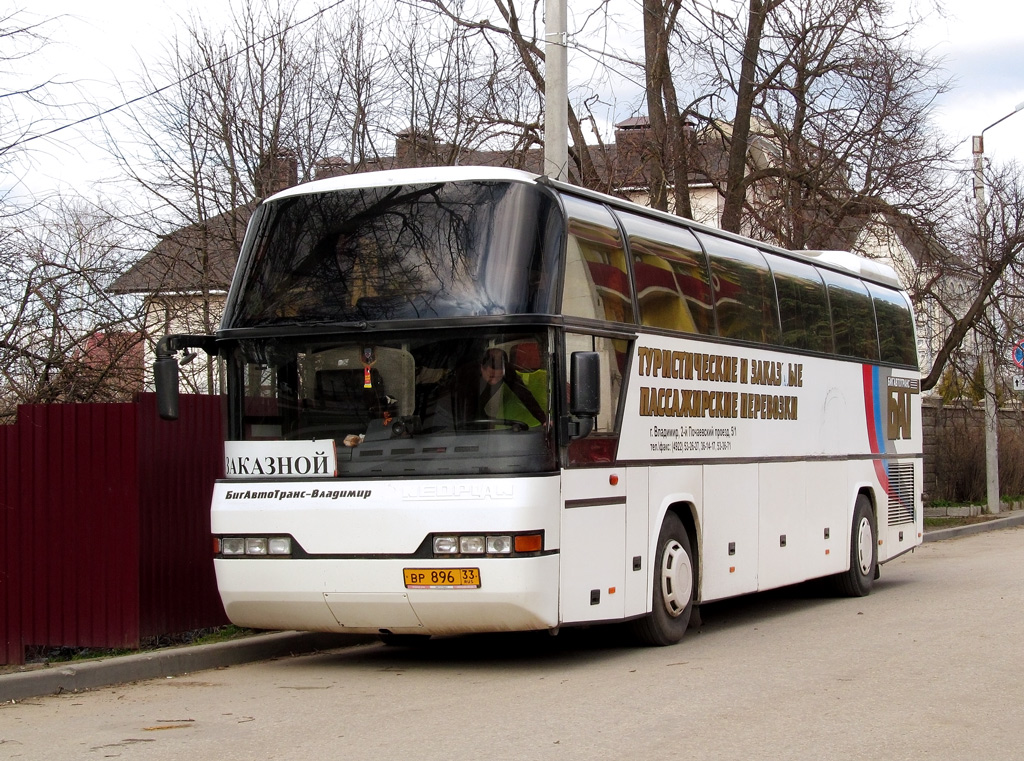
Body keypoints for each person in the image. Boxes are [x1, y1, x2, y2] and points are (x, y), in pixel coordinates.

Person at [461, 348, 548, 428]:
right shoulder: (468, 375)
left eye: (499, 377)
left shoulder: (507, 370)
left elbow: (524, 394)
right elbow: (468, 409)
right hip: (455, 412)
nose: (494, 381)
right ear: (482, 368)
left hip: (478, 409)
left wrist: (543, 420)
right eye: (491, 376)